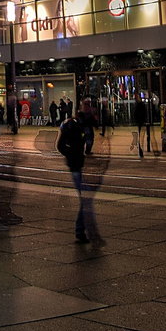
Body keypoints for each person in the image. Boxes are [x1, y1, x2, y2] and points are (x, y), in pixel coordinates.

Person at [57, 98, 101, 244]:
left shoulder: (85, 123)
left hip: (79, 165)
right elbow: (60, 145)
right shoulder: (72, 124)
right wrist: (72, 155)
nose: (89, 108)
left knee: (86, 199)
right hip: (75, 166)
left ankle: (81, 231)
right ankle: (81, 231)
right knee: (86, 199)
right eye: (86, 105)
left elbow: (95, 125)